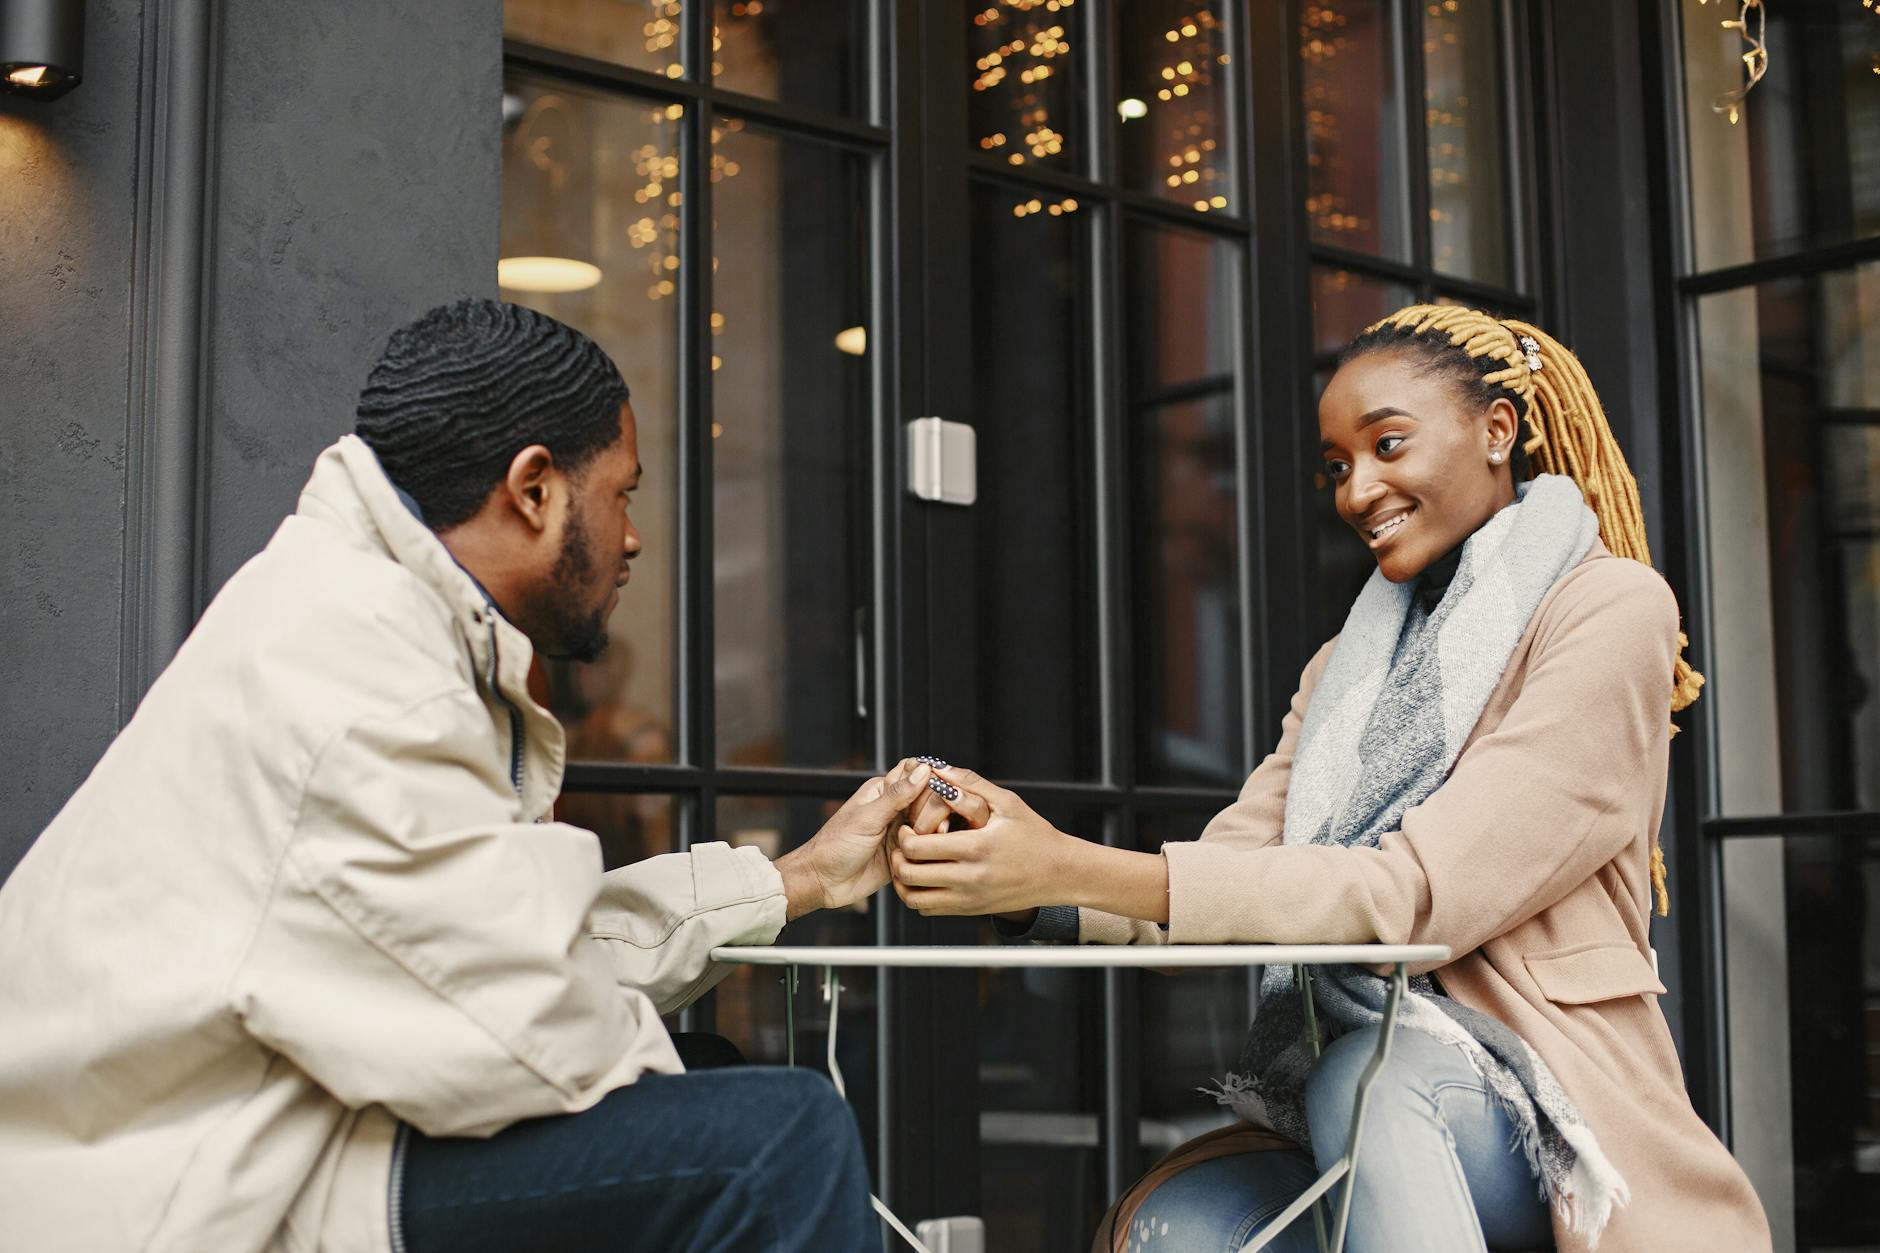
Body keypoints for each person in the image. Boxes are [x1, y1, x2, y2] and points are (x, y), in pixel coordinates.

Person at [0, 298, 933, 1253]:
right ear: (535, 490)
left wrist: (804, 875)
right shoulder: (361, 671)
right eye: (624, 494)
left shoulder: (372, 616)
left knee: (712, 1076)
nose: (634, 539)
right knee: (780, 1140)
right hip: (184, 1199)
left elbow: (508, 957)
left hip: (281, 1136)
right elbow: (532, 1033)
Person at [895, 306, 1771, 1253]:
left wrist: (1064, 861)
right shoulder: (1347, 665)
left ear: (1497, 431)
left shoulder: (1608, 609)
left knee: (1376, 1078)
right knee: (1173, 1229)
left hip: (1545, 1100)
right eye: (1338, 466)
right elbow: (1228, 870)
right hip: (1351, 1084)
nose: (1359, 489)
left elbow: (1413, 897)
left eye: (1388, 443)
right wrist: (1026, 866)